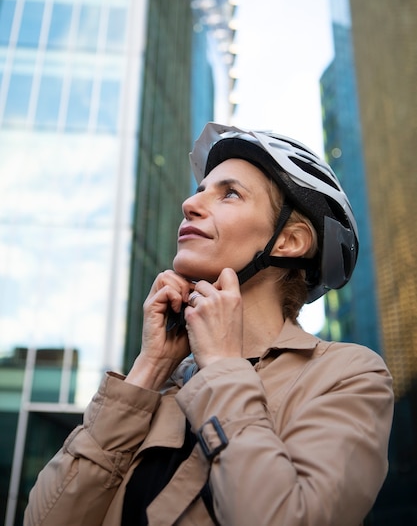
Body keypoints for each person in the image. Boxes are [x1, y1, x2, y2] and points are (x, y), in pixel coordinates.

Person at [24, 122, 393, 526]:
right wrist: (150, 368)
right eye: (200, 191)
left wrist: (220, 363)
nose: (190, 204)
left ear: (290, 241)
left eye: (229, 194)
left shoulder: (347, 374)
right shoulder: (160, 387)